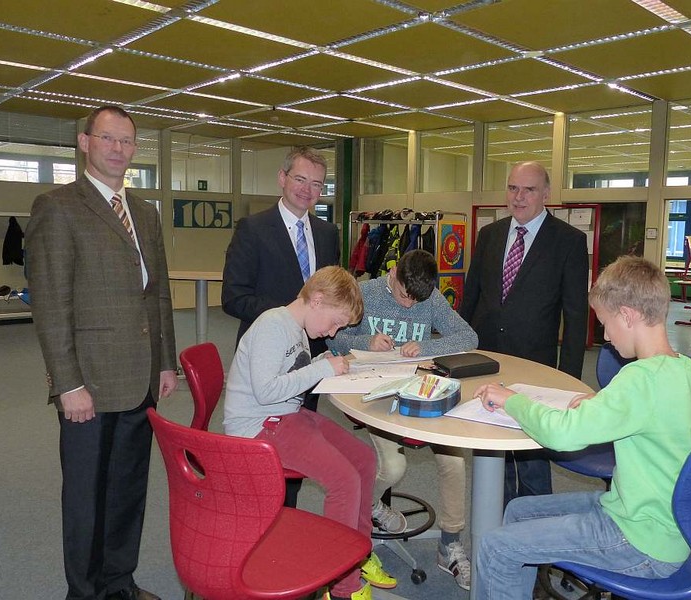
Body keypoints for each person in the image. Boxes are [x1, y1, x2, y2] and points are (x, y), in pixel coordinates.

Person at [472, 256, 691, 600]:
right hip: (648, 515)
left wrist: (511, 400)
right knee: (518, 511)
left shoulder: (639, 380)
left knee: (495, 546)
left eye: (606, 324)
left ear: (627, 315)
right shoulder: (684, 369)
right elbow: (646, 416)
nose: (607, 337)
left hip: (638, 539)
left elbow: (562, 435)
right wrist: (596, 407)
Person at [26, 105, 178, 600]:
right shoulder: (58, 206)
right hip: (88, 384)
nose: (119, 149)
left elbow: (156, 294)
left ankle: (118, 583)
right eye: (108, 139)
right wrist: (67, 383)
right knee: (87, 500)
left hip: (140, 380)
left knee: (129, 492)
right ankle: (85, 592)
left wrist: (165, 361)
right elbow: (51, 305)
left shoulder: (146, 213)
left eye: (127, 141)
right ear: (85, 142)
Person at [223, 266, 396, 600]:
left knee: (362, 459)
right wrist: (321, 367)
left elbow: (291, 375)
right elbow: (266, 392)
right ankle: (342, 587)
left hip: (285, 415)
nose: (333, 332)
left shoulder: (298, 327)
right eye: (335, 322)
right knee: (343, 481)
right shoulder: (273, 325)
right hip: (259, 426)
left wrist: (324, 363)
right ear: (317, 300)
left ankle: (356, 556)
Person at [328, 249, 479, 590]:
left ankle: (450, 545)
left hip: (421, 395)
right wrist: (366, 340)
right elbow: (331, 336)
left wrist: (424, 347)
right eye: (403, 297)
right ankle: (368, 504)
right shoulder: (363, 293)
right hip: (379, 398)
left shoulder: (429, 297)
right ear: (393, 274)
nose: (410, 306)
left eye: (417, 301)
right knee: (393, 469)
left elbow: (469, 337)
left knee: (454, 462)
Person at [459, 161, 589, 504]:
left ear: (546, 194)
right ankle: (498, 524)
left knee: (531, 459)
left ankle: (535, 536)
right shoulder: (490, 235)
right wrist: (456, 353)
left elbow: (576, 318)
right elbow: (471, 297)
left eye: (529, 190)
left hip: (537, 367)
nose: (518, 197)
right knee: (491, 451)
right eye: (513, 188)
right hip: (488, 363)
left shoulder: (569, 242)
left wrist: (569, 382)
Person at [222, 146, 339, 505]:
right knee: (268, 460)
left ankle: (288, 519)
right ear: (282, 178)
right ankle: (266, 524)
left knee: (301, 449)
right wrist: (290, 316)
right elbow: (234, 297)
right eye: (300, 179)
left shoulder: (328, 232)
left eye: (316, 184)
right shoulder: (253, 229)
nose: (307, 190)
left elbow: (331, 298)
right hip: (269, 360)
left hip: (313, 358)